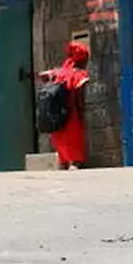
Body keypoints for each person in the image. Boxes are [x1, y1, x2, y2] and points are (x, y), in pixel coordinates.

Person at [40, 41, 90, 170]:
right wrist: (81, 111)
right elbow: (79, 94)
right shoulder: (79, 74)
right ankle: (74, 163)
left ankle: (64, 162)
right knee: (74, 138)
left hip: (56, 113)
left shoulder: (59, 72)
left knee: (61, 137)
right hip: (71, 113)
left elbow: (42, 75)